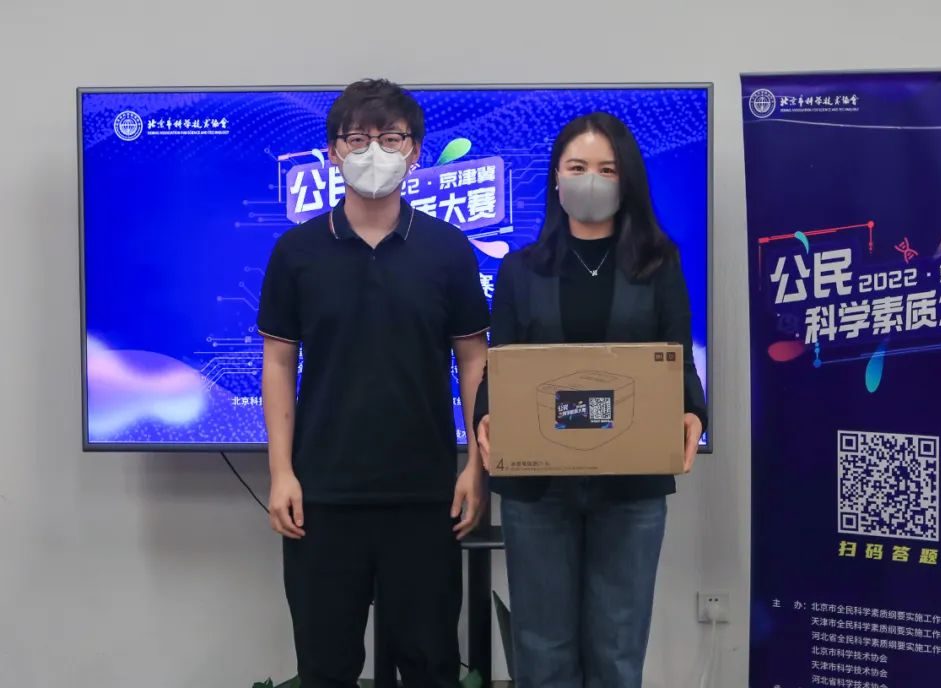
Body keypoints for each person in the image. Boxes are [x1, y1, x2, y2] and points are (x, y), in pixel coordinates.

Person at [257, 79, 490, 688]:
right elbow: (278, 364)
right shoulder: (297, 252)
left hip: (426, 495)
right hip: (322, 496)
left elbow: (474, 361)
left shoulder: (448, 250)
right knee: (325, 668)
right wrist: (280, 473)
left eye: (390, 138)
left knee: (431, 665)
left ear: (414, 152)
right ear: (333, 151)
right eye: (357, 138)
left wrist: (476, 466)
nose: (373, 152)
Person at [474, 112, 708, 688]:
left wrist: (693, 412)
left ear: (627, 180)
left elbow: (678, 359)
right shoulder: (521, 270)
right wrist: (483, 417)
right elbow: (500, 365)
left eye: (607, 169)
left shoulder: (659, 266)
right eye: (578, 167)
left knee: (617, 651)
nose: (591, 180)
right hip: (538, 488)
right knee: (542, 650)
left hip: (630, 487)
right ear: (556, 177)